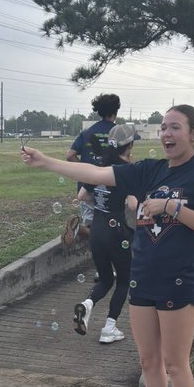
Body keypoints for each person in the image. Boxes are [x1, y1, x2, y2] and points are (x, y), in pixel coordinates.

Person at [24, 105, 194, 387]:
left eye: (175, 127)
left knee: (175, 363)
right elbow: (96, 173)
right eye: (163, 127)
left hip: (179, 281)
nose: (166, 134)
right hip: (143, 276)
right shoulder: (149, 171)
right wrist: (48, 162)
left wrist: (171, 208)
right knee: (149, 361)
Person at [73, 123, 138, 344]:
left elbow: (82, 195)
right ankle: (109, 327)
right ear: (128, 146)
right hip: (117, 232)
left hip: (97, 231)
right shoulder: (126, 171)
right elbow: (132, 204)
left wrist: (101, 197)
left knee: (106, 278)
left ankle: (87, 305)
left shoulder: (98, 166)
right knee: (124, 279)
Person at [63, 93, 120, 245]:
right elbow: (125, 159)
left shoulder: (88, 132)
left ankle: (81, 229)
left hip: (87, 185)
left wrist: (85, 169)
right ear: (116, 111)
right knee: (110, 225)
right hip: (111, 185)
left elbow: (70, 156)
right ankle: (85, 234)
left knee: (90, 222)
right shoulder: (118, 132)